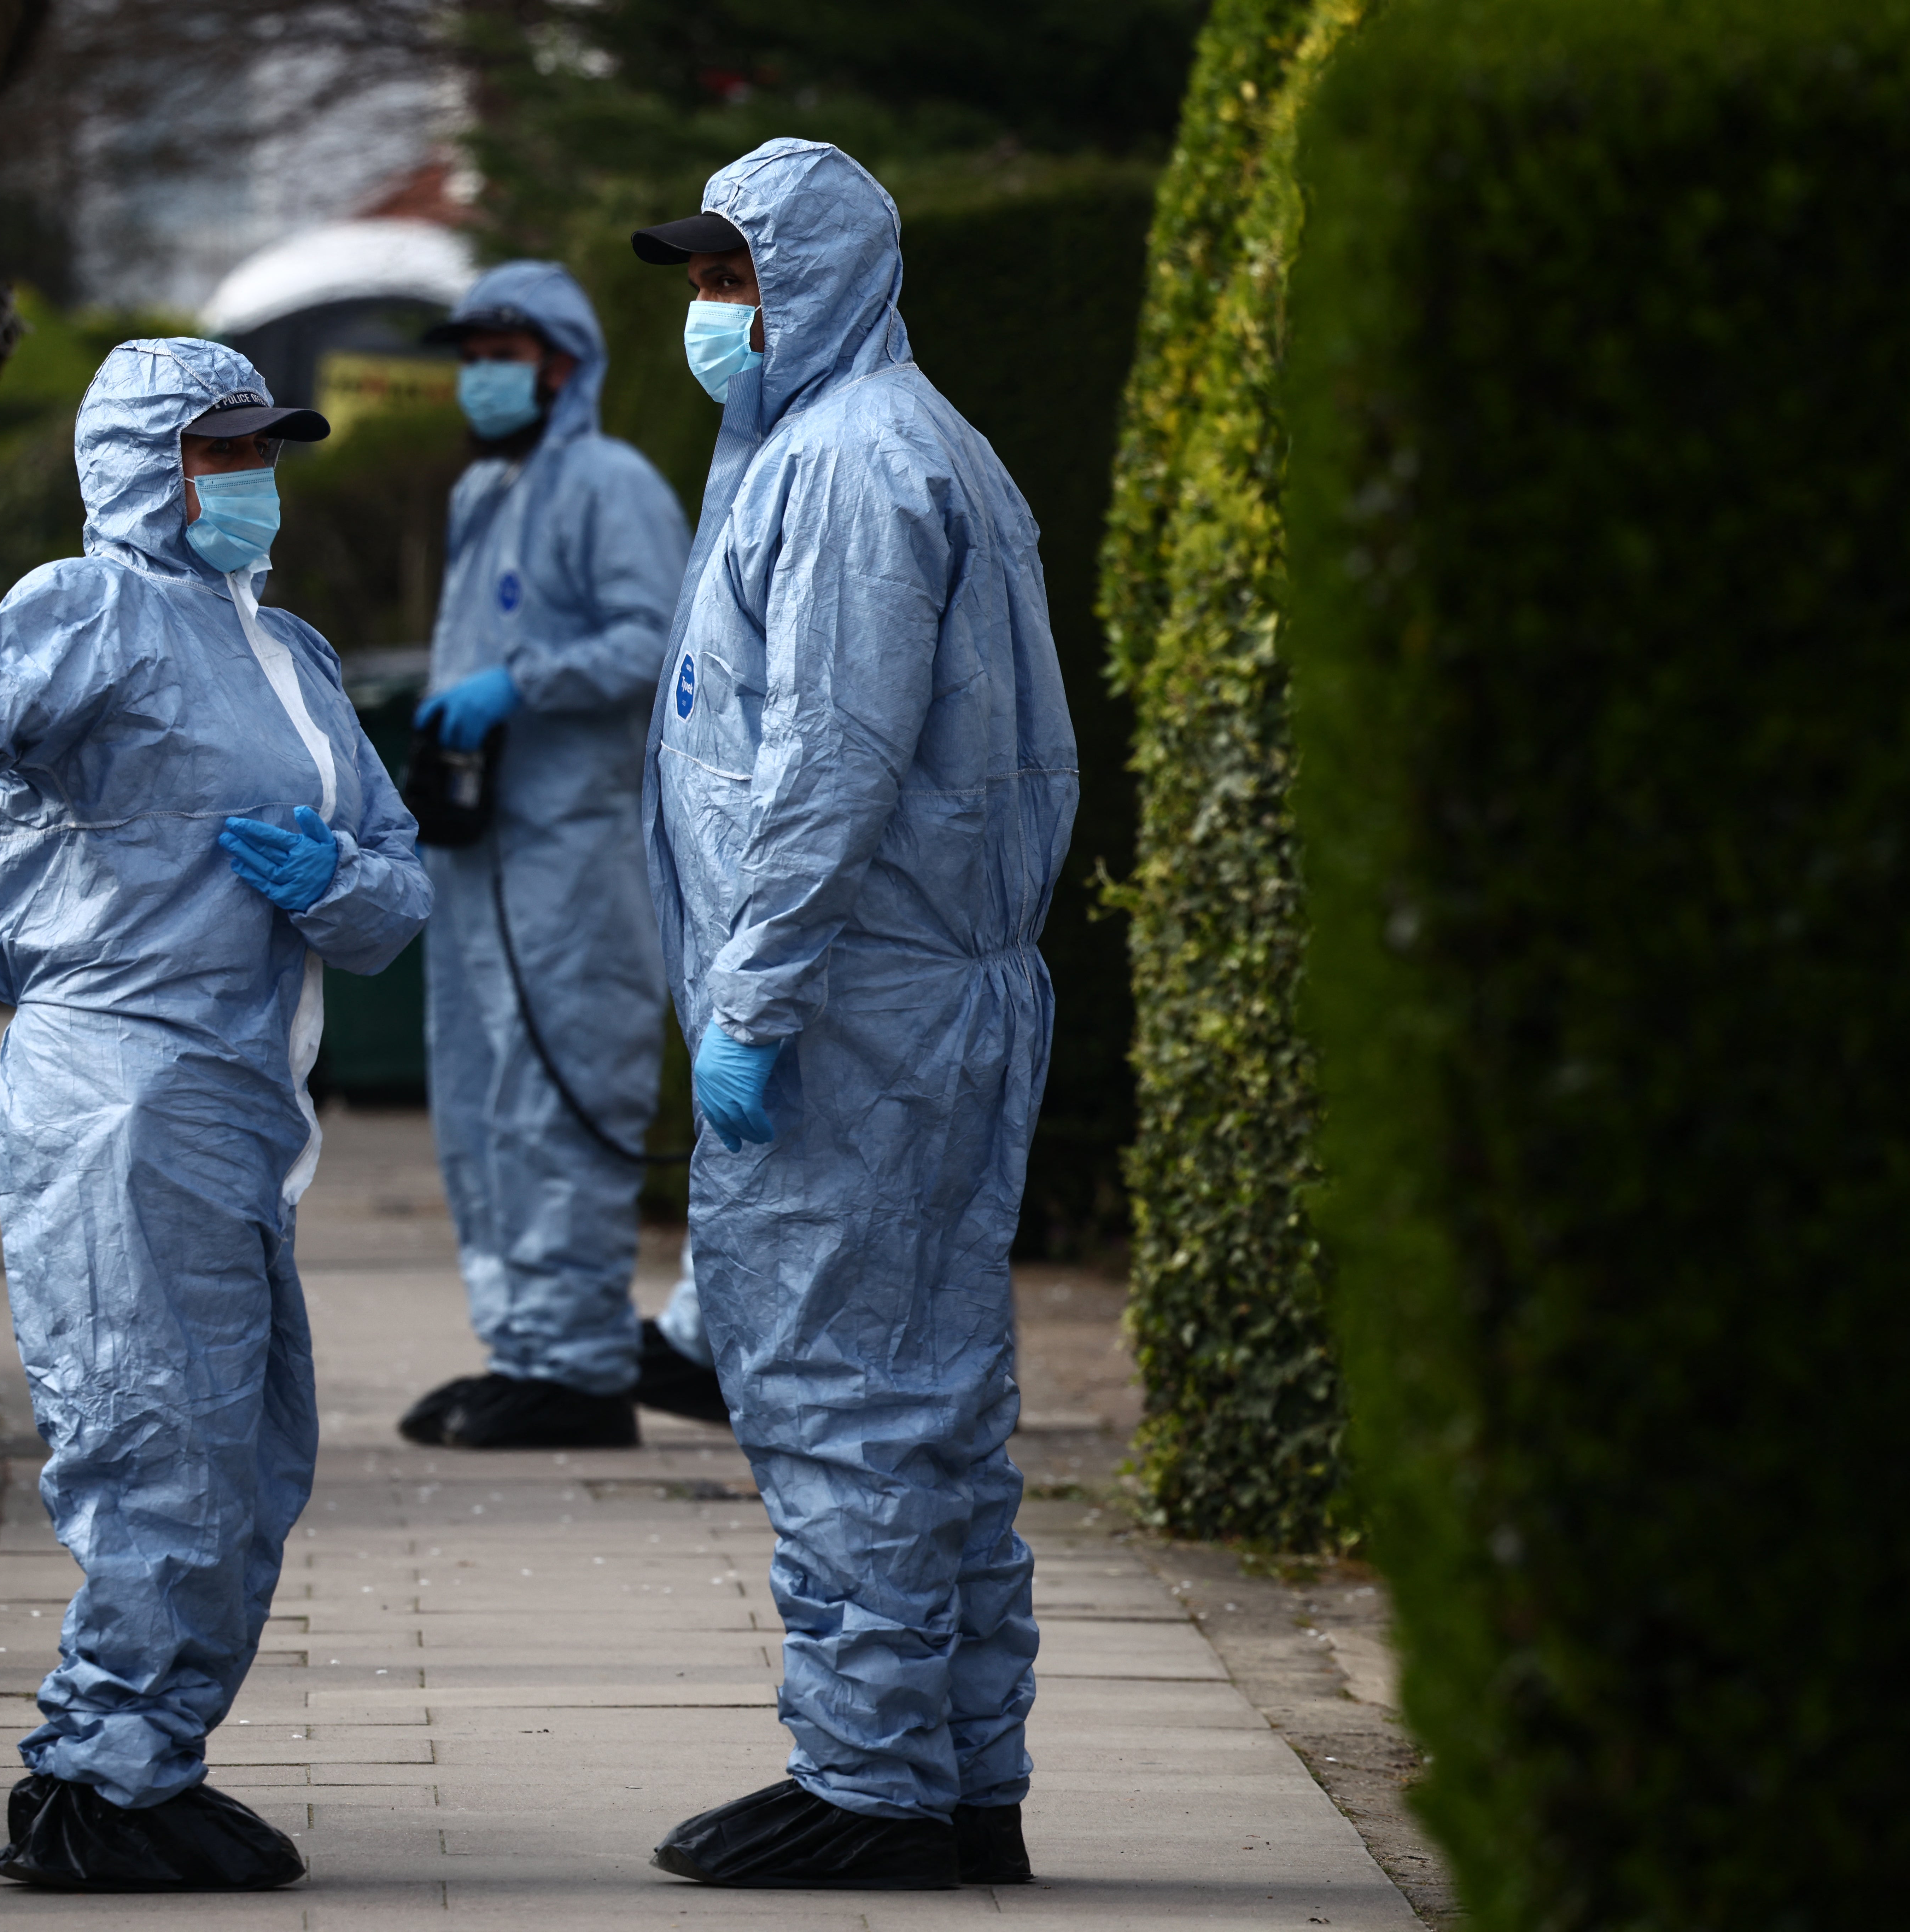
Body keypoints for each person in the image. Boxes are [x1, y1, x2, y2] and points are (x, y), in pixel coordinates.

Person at [0, 338, 428, 1893]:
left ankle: (143, 1756)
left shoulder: (293, 653)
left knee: (248, 1449)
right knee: (156, 1437)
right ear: (140, 463)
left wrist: (342, 884)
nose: (247, 478)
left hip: (237, 1093)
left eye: (260, 448)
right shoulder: (87, 610)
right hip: (121, 1081)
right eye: (215, 448)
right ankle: (96, 1774)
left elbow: (398, 877)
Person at [630, 140, 1079, 1890]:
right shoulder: (876, 448)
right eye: (694, 278)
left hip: (854, 1007)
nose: (706, 312)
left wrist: (751, 998)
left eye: (730, 276)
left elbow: (828, 764)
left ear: (816, 277)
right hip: (908, 990)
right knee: (936, 1405)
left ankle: (873, 1778)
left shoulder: (846, 469)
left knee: (839, 1393)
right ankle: (963, 1773)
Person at [395, 260, 726, 1450]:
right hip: (484, 856)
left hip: (575, 861)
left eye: (505, 352)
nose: (482, 377)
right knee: (486, 1111)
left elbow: (659, 634)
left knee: (559, 1101)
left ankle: (583, 1369)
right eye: (470, 355)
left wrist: (521, 683)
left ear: (567, 362)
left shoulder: (608, 482)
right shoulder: (489, 490)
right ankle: (525, 1349)